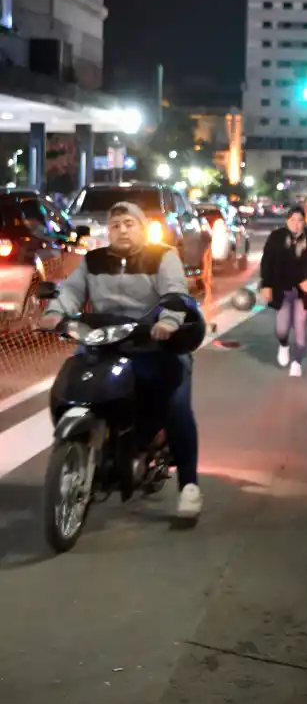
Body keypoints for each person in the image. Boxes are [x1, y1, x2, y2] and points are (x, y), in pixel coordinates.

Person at [39, 201, 203, 520]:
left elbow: (176, 292)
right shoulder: (94, 260)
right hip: (104, 344)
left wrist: (168, 321)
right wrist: (55, 313)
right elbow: (70, 291)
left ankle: (190, 486)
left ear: (142, 228)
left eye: (129, 223)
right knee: (74, 382)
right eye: (115, 225)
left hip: (155, 346)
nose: (122, 230)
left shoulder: (163, 256)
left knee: (176, 407)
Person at [260, 205, 307, 376]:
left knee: (300, 326)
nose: (296, 224)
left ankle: (297, 361)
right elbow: (267, 262)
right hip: (282, 290)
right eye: (293, 220)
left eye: (300, 221)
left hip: (303, 294)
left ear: (304, 222)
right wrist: (266, 285)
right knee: (281, 328)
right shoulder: (276, 238)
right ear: (287, 221)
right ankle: (283, 345)